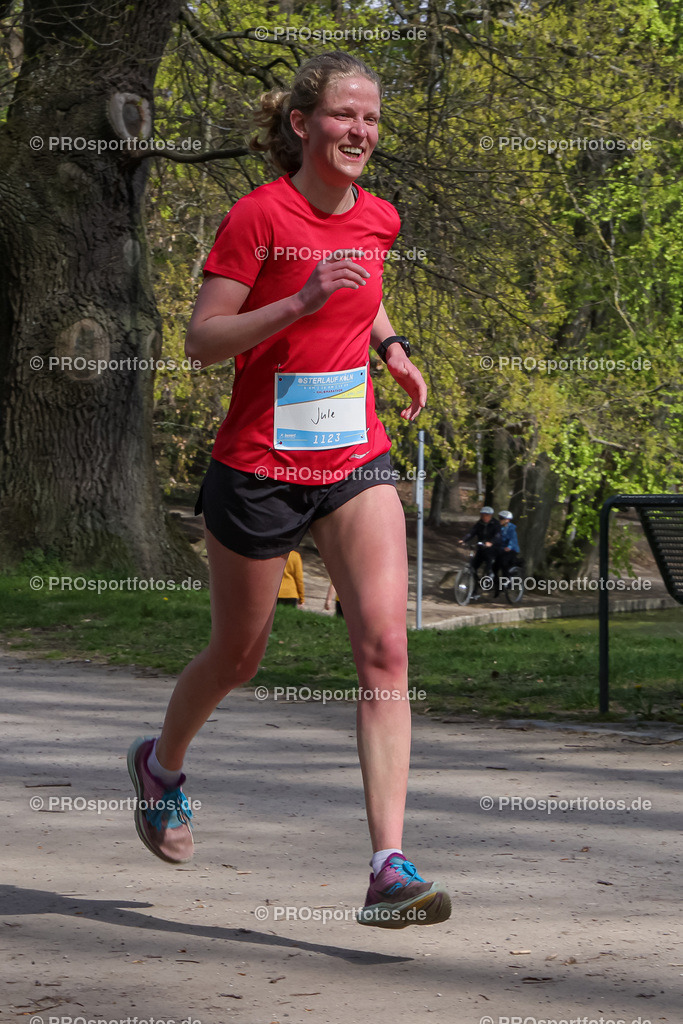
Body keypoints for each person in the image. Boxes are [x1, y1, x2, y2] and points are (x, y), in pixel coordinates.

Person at [127, 51, 451, 930]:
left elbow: (365, 286)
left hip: (353, 458)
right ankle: (161, 764)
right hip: (258, 469)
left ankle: (387, 866)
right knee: (239, 656)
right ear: (304, 123)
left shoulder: (378, 216)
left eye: (373, 120)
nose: (360, 133)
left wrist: (392, 349)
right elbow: (202, 340)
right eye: (346, 116)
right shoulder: (258, 216)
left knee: (385, 649)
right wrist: (300, 300)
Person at [458, 505, 501, 579]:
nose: (484, 517)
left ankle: (490, 578)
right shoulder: (479, 523)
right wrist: (464, 540)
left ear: (491, 515)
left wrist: (491, 542)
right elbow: (472, 532)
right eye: (483, 515)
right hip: (481, 548)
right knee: (473, 567)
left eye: (486, 515)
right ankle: (473, 586)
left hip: (492, 549)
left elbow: (498, 536)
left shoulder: (496, 524)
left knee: (489, 565)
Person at [495, 510, 520, 575]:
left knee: (504, 563)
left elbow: (513, 539)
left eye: (502, 518)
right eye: (499, 518)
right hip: (501, 549)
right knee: (494, 565)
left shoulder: (511, 529)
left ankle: (508, 580)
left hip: (511, 550)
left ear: (507, 520)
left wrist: (509, 546)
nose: (500, 520)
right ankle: (496, 582)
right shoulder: (499, 528)